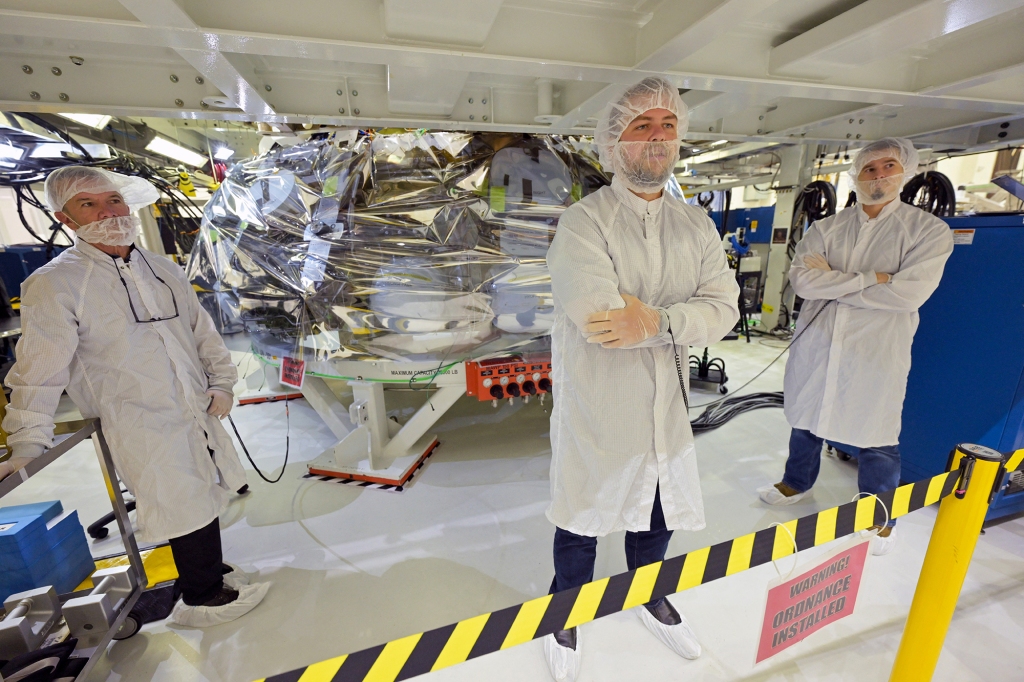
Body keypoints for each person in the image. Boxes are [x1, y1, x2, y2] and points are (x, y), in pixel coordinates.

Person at [0, 166, 270, 627]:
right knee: (177, 498)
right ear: (67, 219)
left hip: (193, 405)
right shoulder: (56, 283)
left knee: (205, 487)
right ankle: (202, 595)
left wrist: (221, 381)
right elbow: (40, 369)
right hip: (136, 416)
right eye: (89, 204)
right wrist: (28, 440)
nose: (108, 212)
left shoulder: (161, 268)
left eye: (114, 200)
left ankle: (206, 571)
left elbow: (202, 333)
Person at [543, 77, 740, 681]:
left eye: (668, 126)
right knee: (582, 515)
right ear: (614, 142)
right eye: (641, 127)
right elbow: (603, 321)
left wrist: (652, 319)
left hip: (668, 407)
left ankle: (647, 594)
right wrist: (680, 320)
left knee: (657, 511)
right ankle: (564, 610)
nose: (657, 138)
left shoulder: (696, 226)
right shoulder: (584, 223)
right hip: (598, 405)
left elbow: (725, 310)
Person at [757, 138, 954, 556]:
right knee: (807, 413)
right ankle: (797, 482)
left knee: (878, 431)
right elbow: (804, 281)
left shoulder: (927, 231)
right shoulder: (827, 228)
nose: (879, 175)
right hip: (820, 342)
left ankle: (879, 515)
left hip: (876, 352)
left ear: (905, 171)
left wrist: (838, 280)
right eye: (869, 168)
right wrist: (877, 278)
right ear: (856, 174)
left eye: (888, 166)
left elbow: (908, 295)